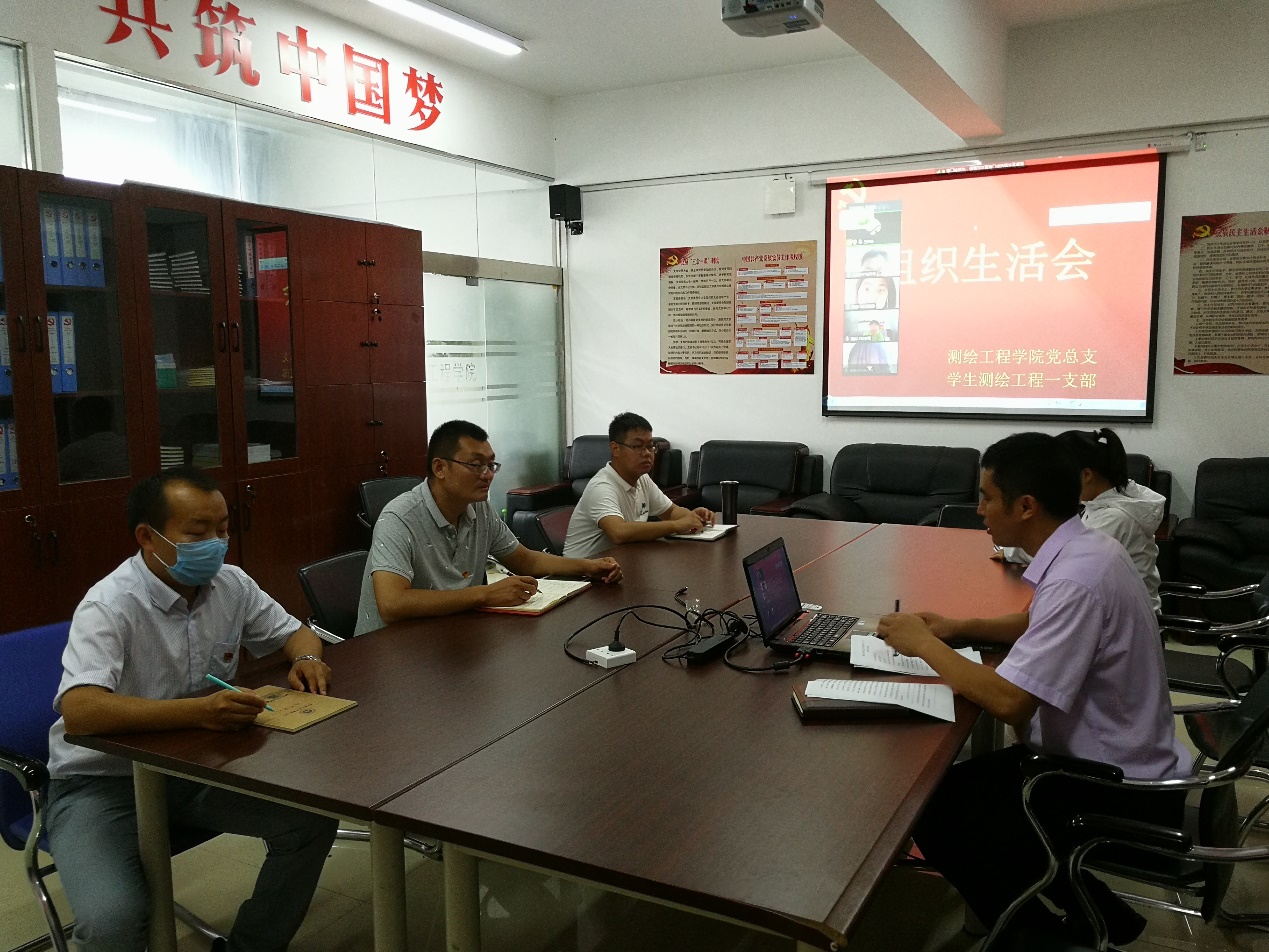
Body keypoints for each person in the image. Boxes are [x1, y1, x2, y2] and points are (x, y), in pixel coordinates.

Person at [877, 433, 1189, 946]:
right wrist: (958, 627)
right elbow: (1038, 623)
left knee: (933, 809)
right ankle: (1100, 911)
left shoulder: (1076, 579)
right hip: (1122, 751)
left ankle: (1038, 939)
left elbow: (1010, 701)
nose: (979, 510)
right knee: (954, 794)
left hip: (1114, 782)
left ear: (1026, 506)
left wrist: (924, 645)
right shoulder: (1087, 547)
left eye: (986, 497)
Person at [45, 466, 338, 952]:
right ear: (148, 537)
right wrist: (199, 712)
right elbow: (81, 710)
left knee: (309, 821)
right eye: (198, 533)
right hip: (102, 783)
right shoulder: (111, 604)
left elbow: (296, 633)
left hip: (193, 771)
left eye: (223, 529)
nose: (216, 545)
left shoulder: (231, 585)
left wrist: (306, 659)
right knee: (114, 920)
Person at [356, 420, 623, 634]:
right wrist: (485, 594)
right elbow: (393, 604)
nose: (488, 475)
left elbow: (524, 560)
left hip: (450, 635)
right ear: (440, 468)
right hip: (391, 650)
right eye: (476, 465)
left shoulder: (479, 507)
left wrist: (587, 567)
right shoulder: (399, 518)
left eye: (491, 464)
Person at [996, 427, 1164, 612]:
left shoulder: (1115, 517)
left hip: (1127, 617)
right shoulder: (1104, 502)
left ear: (1086, 475)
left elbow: (1065, 557)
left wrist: (1013, 551)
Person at [562, 412, 716, 559]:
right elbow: (619, 532)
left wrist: (693, 517)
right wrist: (676, 526)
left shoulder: (642, 479)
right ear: (615, 449)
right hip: (581, 572)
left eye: (650, 446)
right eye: (637, 446)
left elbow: (670, 511)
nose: (647, 453)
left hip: (620, 563)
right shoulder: (602, 487)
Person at [58, 395, 130, 482]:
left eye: (74, 421)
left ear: (81, 422)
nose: (73, 426)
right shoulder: (128, 445)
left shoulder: (75, 452)